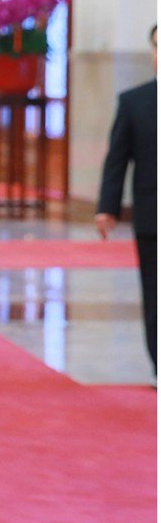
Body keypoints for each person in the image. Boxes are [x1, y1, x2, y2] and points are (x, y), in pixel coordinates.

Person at [96, 24, 157, 377]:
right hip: (152, 217)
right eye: (156, 46)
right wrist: (107, 207)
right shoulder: (134, 102)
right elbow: (117, 159)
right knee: (155, 295)